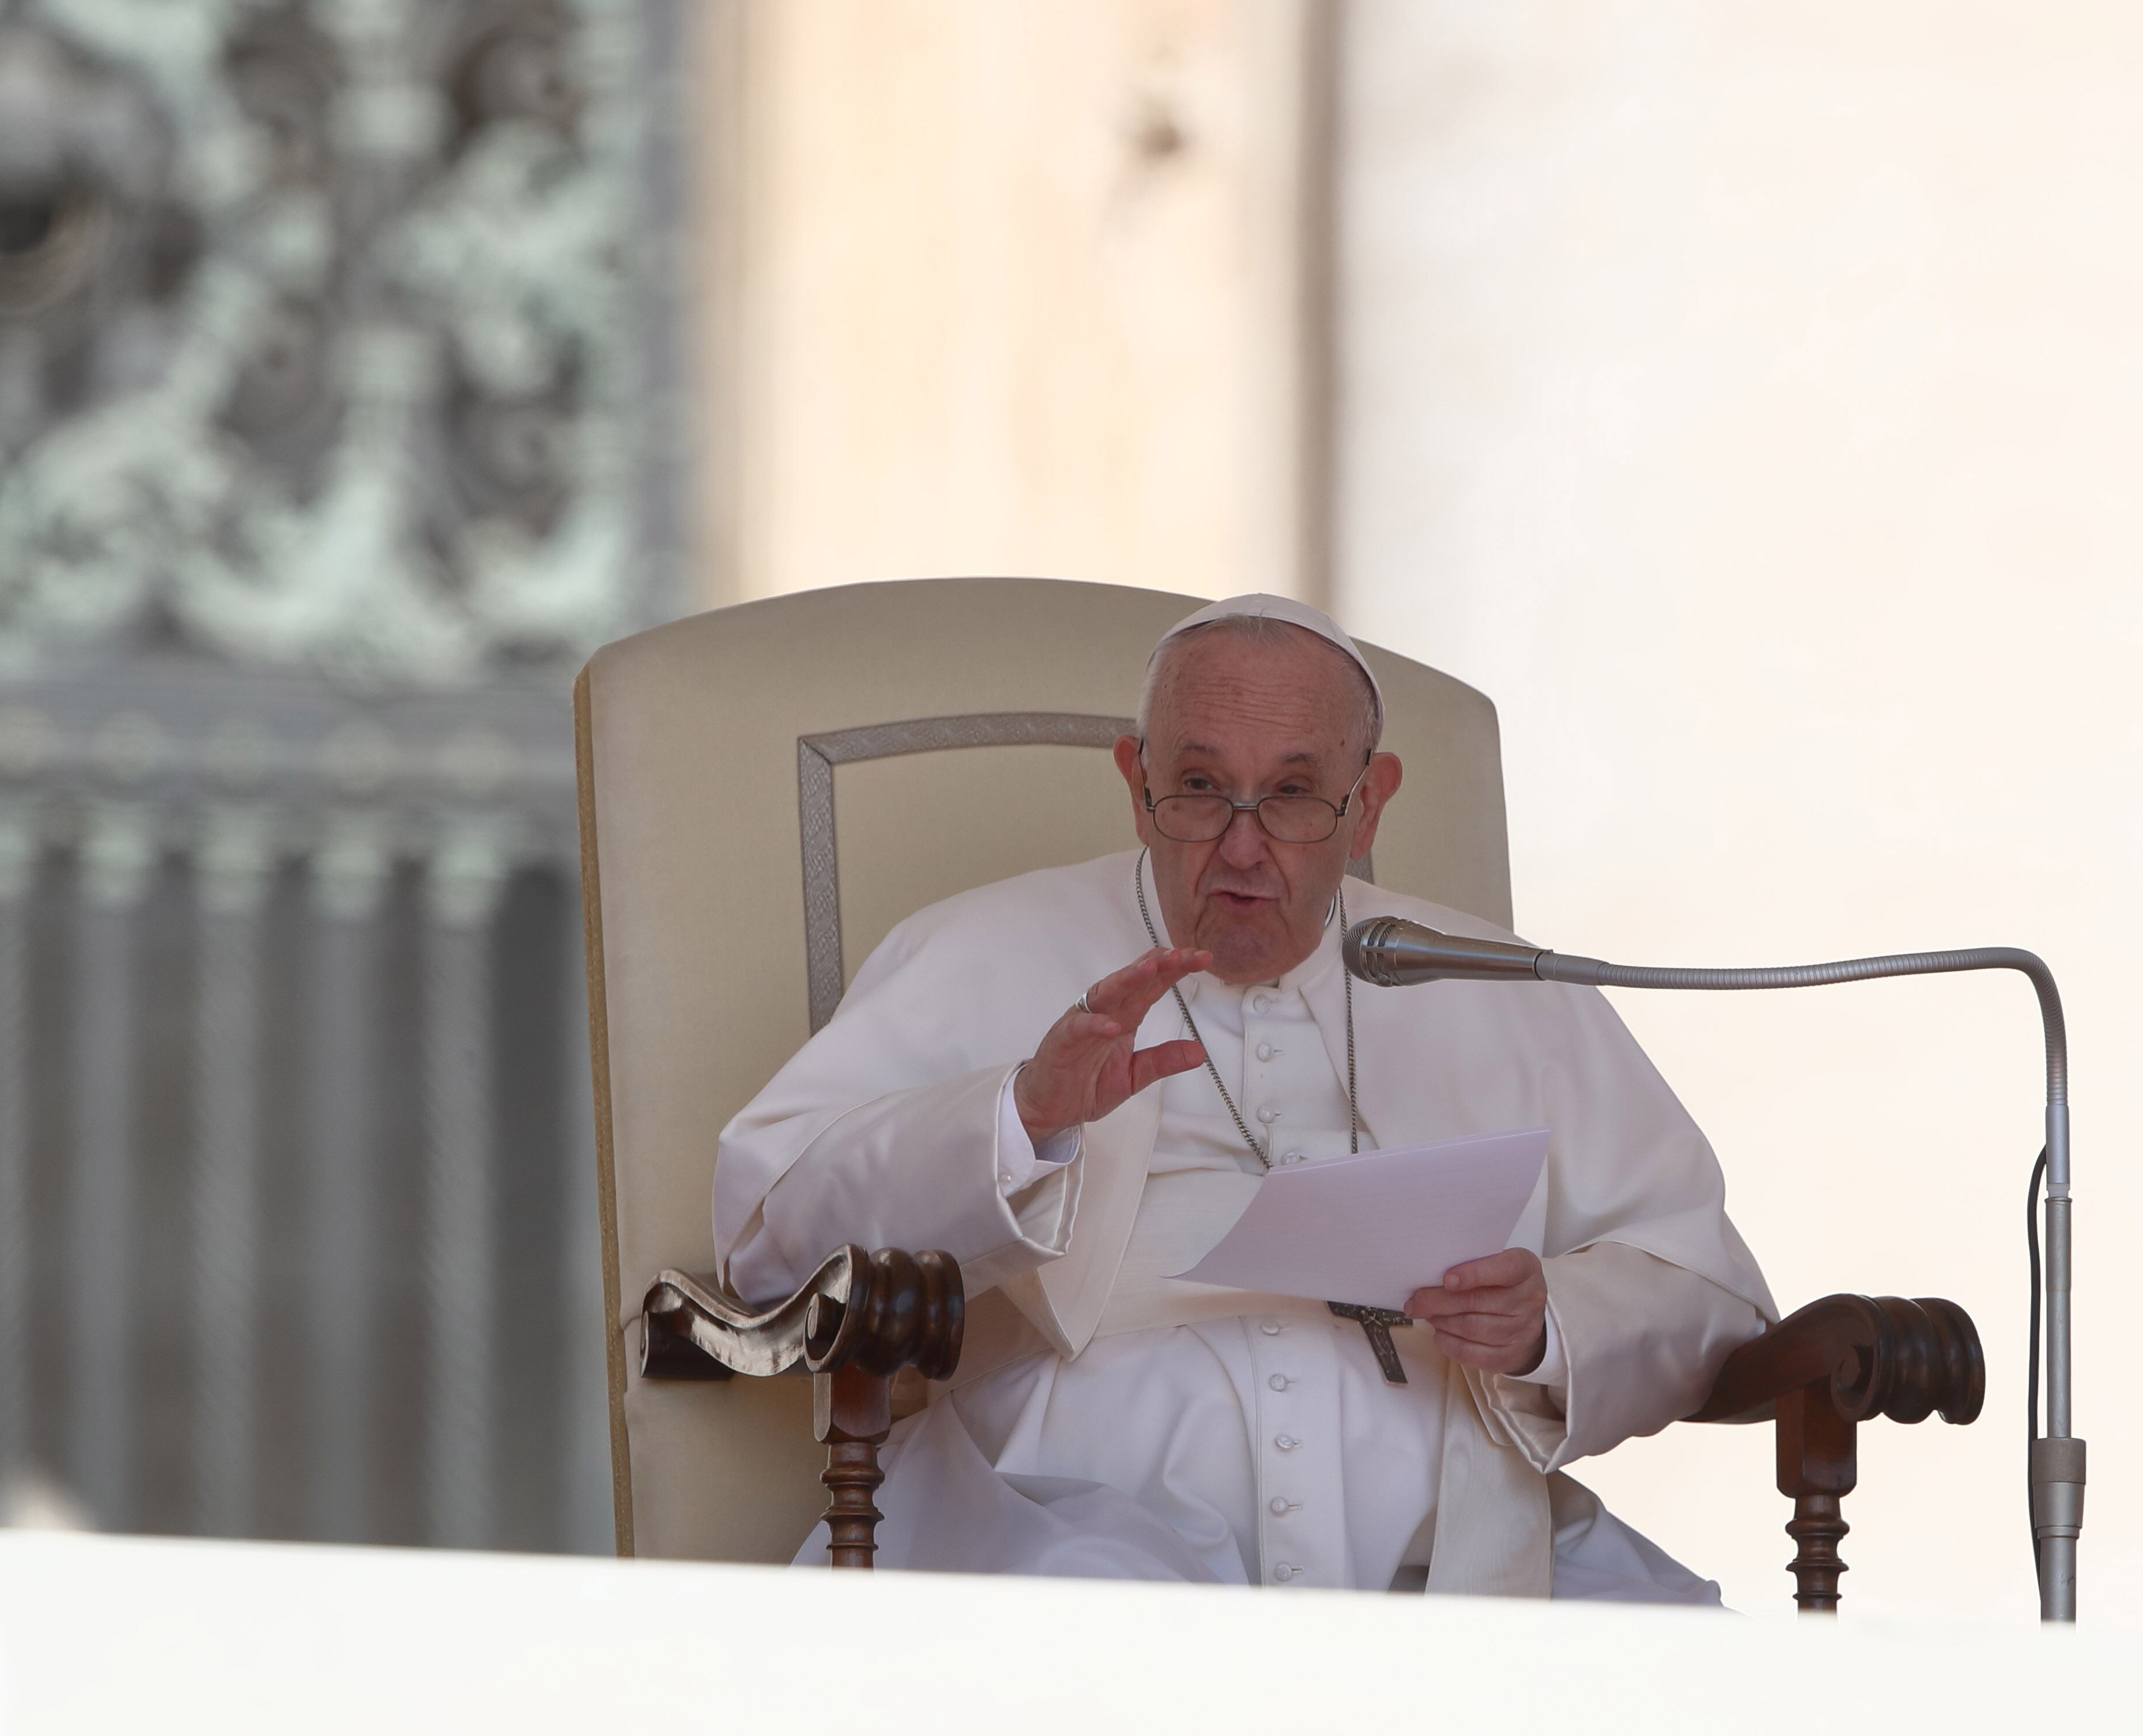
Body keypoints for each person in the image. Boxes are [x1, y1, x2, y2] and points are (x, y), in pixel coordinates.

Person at [714, 594, 1775, 1598]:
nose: (1241, 844)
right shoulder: (977, 945)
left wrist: (1553, 1323)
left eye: (1296, 794)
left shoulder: (1496, 980)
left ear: (1369, 806)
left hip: (1453, 1529)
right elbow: (770, 1237)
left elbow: (1702, 1283)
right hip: (1068, 1510)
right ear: (1135, 781)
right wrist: (1019, 1118)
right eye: (1198, 786)